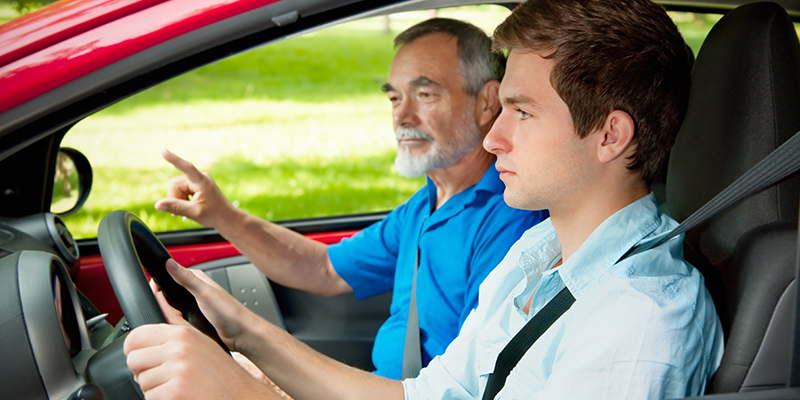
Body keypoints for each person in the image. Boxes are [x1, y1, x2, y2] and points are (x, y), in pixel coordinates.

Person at [124, 0, 725, 398]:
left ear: (610, 135)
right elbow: (425, 396)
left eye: (522, 111)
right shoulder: (539, 259)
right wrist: (244, 333)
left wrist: (246, 395)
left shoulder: (639, 322)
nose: (495, 136)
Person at [154, 17, 548, 379]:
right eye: (394, 98)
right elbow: (324, 269)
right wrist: (224, 216)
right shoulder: (428, 203)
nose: (402, 117)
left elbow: (468, 383)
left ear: (486, 102)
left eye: (424, 94)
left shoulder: (511, 217)